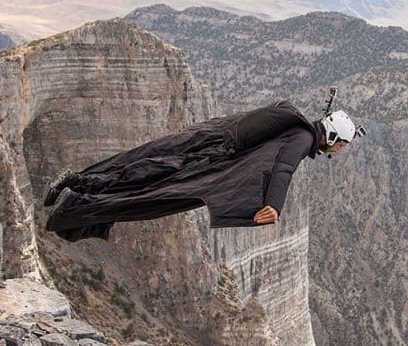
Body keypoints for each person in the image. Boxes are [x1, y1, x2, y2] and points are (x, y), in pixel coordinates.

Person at [43, 100, 360, 242]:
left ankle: (78, 186)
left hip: (211, 148)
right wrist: (274, 206)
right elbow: (283, 169)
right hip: (214, 163)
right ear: (332, 136)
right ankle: (77, 191)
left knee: (150, 172)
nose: (340, 149)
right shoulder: (303, 137)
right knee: (152, 188)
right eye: (342, 144)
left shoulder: (293, 121)